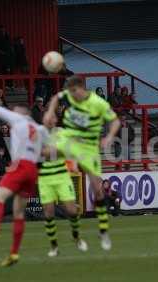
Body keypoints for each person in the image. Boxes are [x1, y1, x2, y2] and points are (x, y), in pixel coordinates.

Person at [43, 75, 120, 251]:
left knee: (97, 189)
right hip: (69, 138)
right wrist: (49, 112)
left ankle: (103, 230)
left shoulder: (98, 103)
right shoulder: (69, 96)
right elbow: (55, 98)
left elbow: (115, 121)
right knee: (46, 151)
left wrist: (108, 137)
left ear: (81, 88)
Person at [0, 104, 49, 267]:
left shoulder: (17, 119)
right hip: (32, 170)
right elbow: (48, 151)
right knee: (19, 213)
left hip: (20, 166)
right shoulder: (39, 128)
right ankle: (14, 253)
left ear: (23, 112)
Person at [38, 124, 88, 257]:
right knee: (48, 213)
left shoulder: (62, 132)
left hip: (62, 175)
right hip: (47, 177)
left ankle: (76, 237)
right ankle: (54, 246)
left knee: (72, 210)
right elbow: (43, 152)